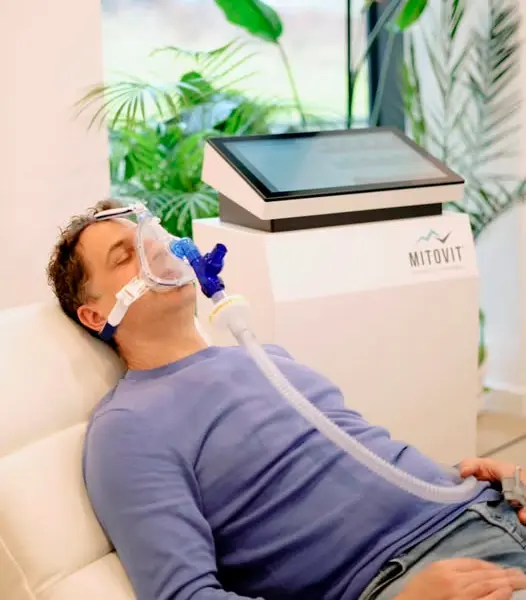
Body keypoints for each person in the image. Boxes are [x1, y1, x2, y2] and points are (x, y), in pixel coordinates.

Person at [47, 200, 526, 600]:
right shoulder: (128, 427)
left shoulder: (265, 357)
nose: (155, 247)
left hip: (494, 509)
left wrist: (501, 483)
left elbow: (356, 465)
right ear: (95, 316)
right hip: (413, 571)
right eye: (123, 256)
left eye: (149, 235)